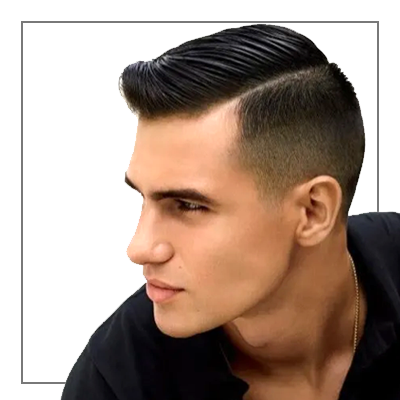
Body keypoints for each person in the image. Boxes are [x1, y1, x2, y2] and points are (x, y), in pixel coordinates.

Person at [61, 23, 400, 400]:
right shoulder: (115, 382)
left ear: (312, 211)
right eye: (143, 197)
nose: (138, 248)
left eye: (188, 205)